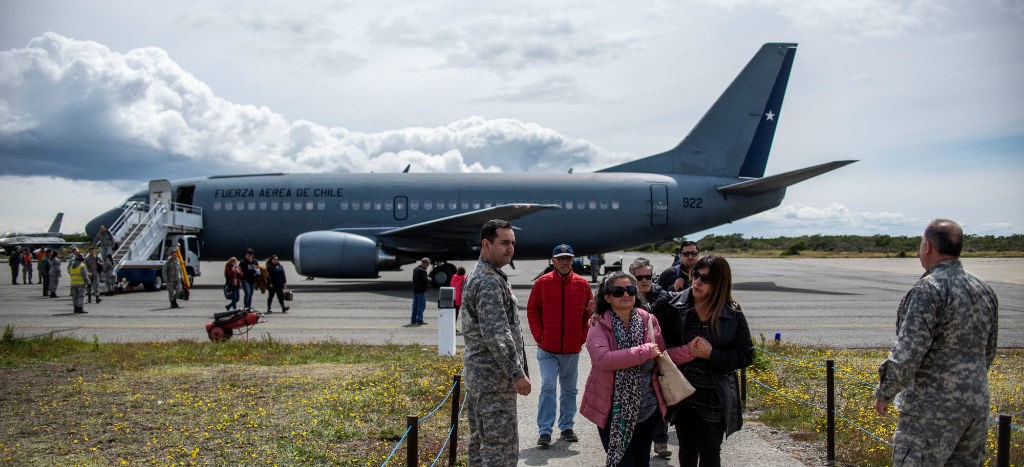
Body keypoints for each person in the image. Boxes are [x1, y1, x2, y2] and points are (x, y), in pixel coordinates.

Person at [873, 219, 998, 466]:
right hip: (975, 405)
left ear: (928, 246)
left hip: (930, 409)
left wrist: (885, 391)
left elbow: (909, 351)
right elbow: (989, 350)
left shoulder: (929, 289)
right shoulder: (983, 288)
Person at [580, 271, 694, 467]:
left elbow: (661, 356)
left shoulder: (648, 320)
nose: (626, 294)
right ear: (607, 297)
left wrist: (690, 351)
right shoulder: (599, 324)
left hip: (647, 410)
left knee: (641, 462)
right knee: (623, 463)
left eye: (630, 289)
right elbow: (602, 360)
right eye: (618, 291)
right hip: (613, 412)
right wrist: (643, 352)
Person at [661, 254, 753, 467]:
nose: (697, 281)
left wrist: (712, 354)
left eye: (705, 278)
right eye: (695, 275)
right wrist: (599, 312)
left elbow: (745, 355)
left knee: (711, 450)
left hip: (716, 395)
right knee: (687, 448)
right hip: (683, 393)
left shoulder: (732, 312)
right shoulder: (676, 306)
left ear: (719, 282)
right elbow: (645, 314)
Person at [462, 219, 531, 466]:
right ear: (486, 244)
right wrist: (517, 373)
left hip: (484, 380)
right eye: (504, 243)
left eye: (512, 243)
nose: (510, 248)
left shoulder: (484, 274)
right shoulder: (488, 280)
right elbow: (497, 333)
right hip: (494, 381)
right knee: (500, 451)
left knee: (481, 445)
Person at [527, 243, 594, 446]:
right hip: (547, 348)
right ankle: (545, 431)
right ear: (553, 261)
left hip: (571, 349)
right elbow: (532, 310)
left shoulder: (582, 284)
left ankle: (566, 427)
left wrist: (582, 337)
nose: (564, 262)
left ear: (572, 261)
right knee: (548, 386)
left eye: (568, 258)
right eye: (561, 258)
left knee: (570, 390)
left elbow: (589, 314)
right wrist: (540, 336)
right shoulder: (542, 283)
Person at [630, 257, 676, 459]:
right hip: (636, 357)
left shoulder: (663, 296)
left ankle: (660, 442)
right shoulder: (627, 295)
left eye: (648, 276)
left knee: (660, 399)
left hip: (660, 355)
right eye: (639, 277)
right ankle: (636, 444)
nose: (644, 280)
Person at [410, 257, 430, 326]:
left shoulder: (415, 269)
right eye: (427, 265)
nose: (427, 266)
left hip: (415, 290)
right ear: (425, 263)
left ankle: (413, 320)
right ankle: (419, 321)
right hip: (421, 291)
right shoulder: (422, 271)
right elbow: (425, 280)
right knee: (421, 306)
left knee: (415, 306)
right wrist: (429, 279)